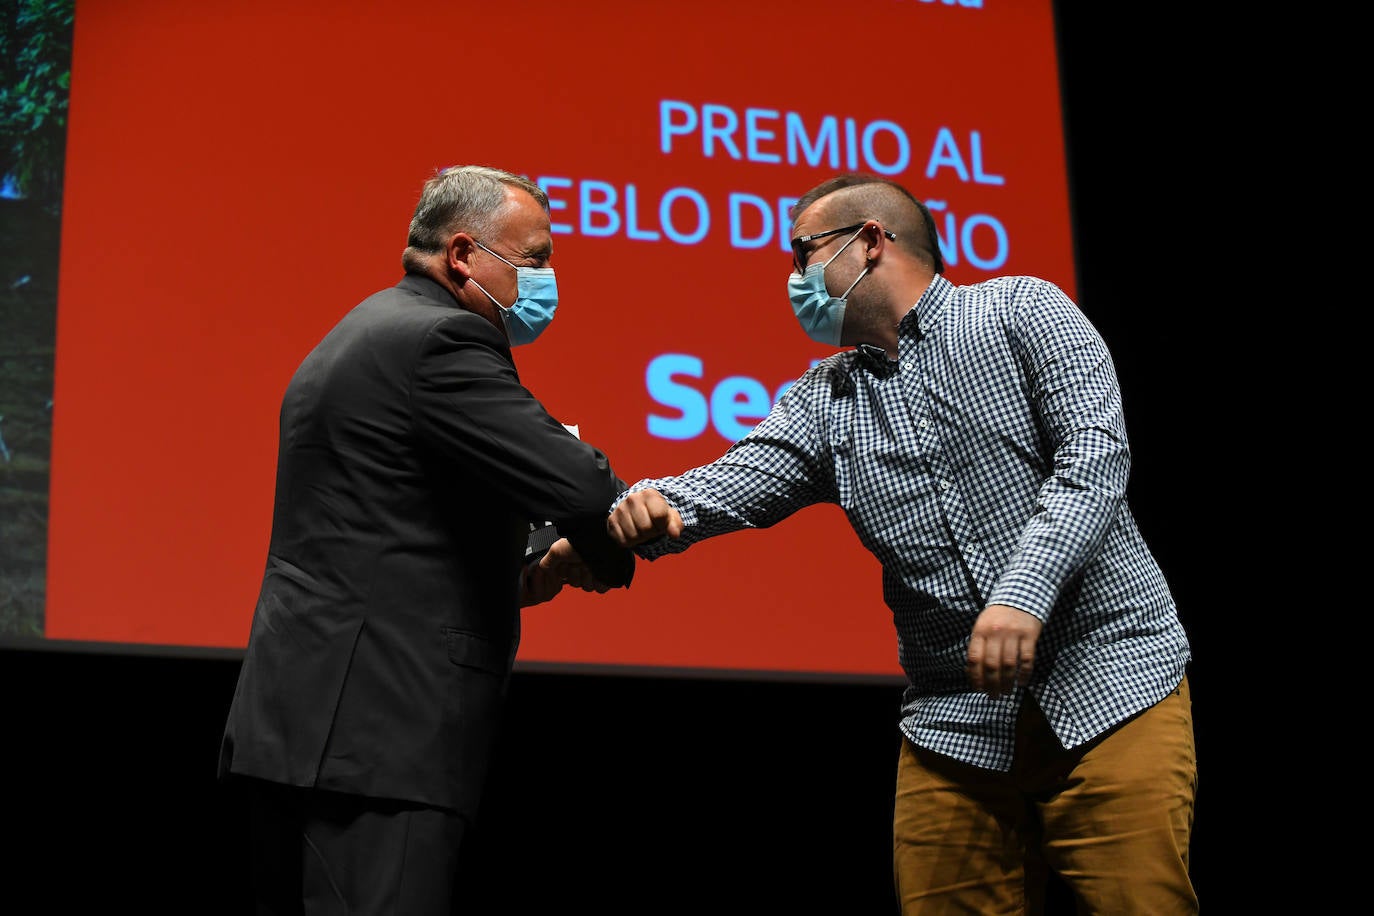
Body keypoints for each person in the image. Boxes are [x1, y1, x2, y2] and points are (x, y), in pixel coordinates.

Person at [607, 173, 1197, 913]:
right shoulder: (825, 399)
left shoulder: (1022, 311)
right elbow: (723, 487)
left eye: (802, 254)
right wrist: (620, 523)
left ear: (870, 243)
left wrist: (1023, 596)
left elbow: (1094, 458)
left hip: (1108, 686)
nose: (792, 278)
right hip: (955, 726)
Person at [218, 164, 634, 914]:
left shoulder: (367, 327)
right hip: (377, 737)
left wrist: (522, 567)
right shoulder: (443, 339)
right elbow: (580, 486)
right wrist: (603, 553)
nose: (548, 277)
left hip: (309, 727)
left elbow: (393, 525)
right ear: (465, 255)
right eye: (536, 258)